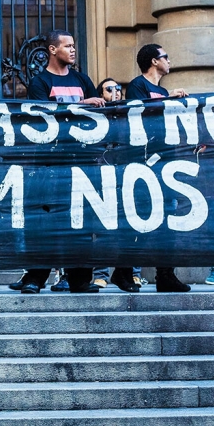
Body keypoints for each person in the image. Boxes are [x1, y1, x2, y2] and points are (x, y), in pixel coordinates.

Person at [9, 30, 103, 295]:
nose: (73, 50)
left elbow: (97, 115)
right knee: (45, 220)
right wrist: (82, 103)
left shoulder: (83, 79)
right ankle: (35, 277)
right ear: (52, 50)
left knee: (81, 221)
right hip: (49, 164)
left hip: (81, 161)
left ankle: (80, 280)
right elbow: (41, 117)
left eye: (74, 45)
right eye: (67, 46)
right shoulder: (40, 82)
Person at [124, 43, 192, 293]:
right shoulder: (137, 86)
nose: (169, 61)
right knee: (139, 218)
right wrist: (167, 100)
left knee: (168, 219)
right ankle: (126, 271)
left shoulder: (162, 89)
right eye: (166, 57)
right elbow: (137, 115)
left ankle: (166, 274)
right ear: (154, 61)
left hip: (166, 162)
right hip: (144, 164)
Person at [90, 78, 142, 293]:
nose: (115, 92)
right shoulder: (94, 117)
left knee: (130, 224)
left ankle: (132, 273)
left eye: (118, 88)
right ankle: (100, 273)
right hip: (102, 178)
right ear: (100, 94)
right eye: (109, 89)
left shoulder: (129, 115)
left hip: (125, 178)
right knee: (102, 227)